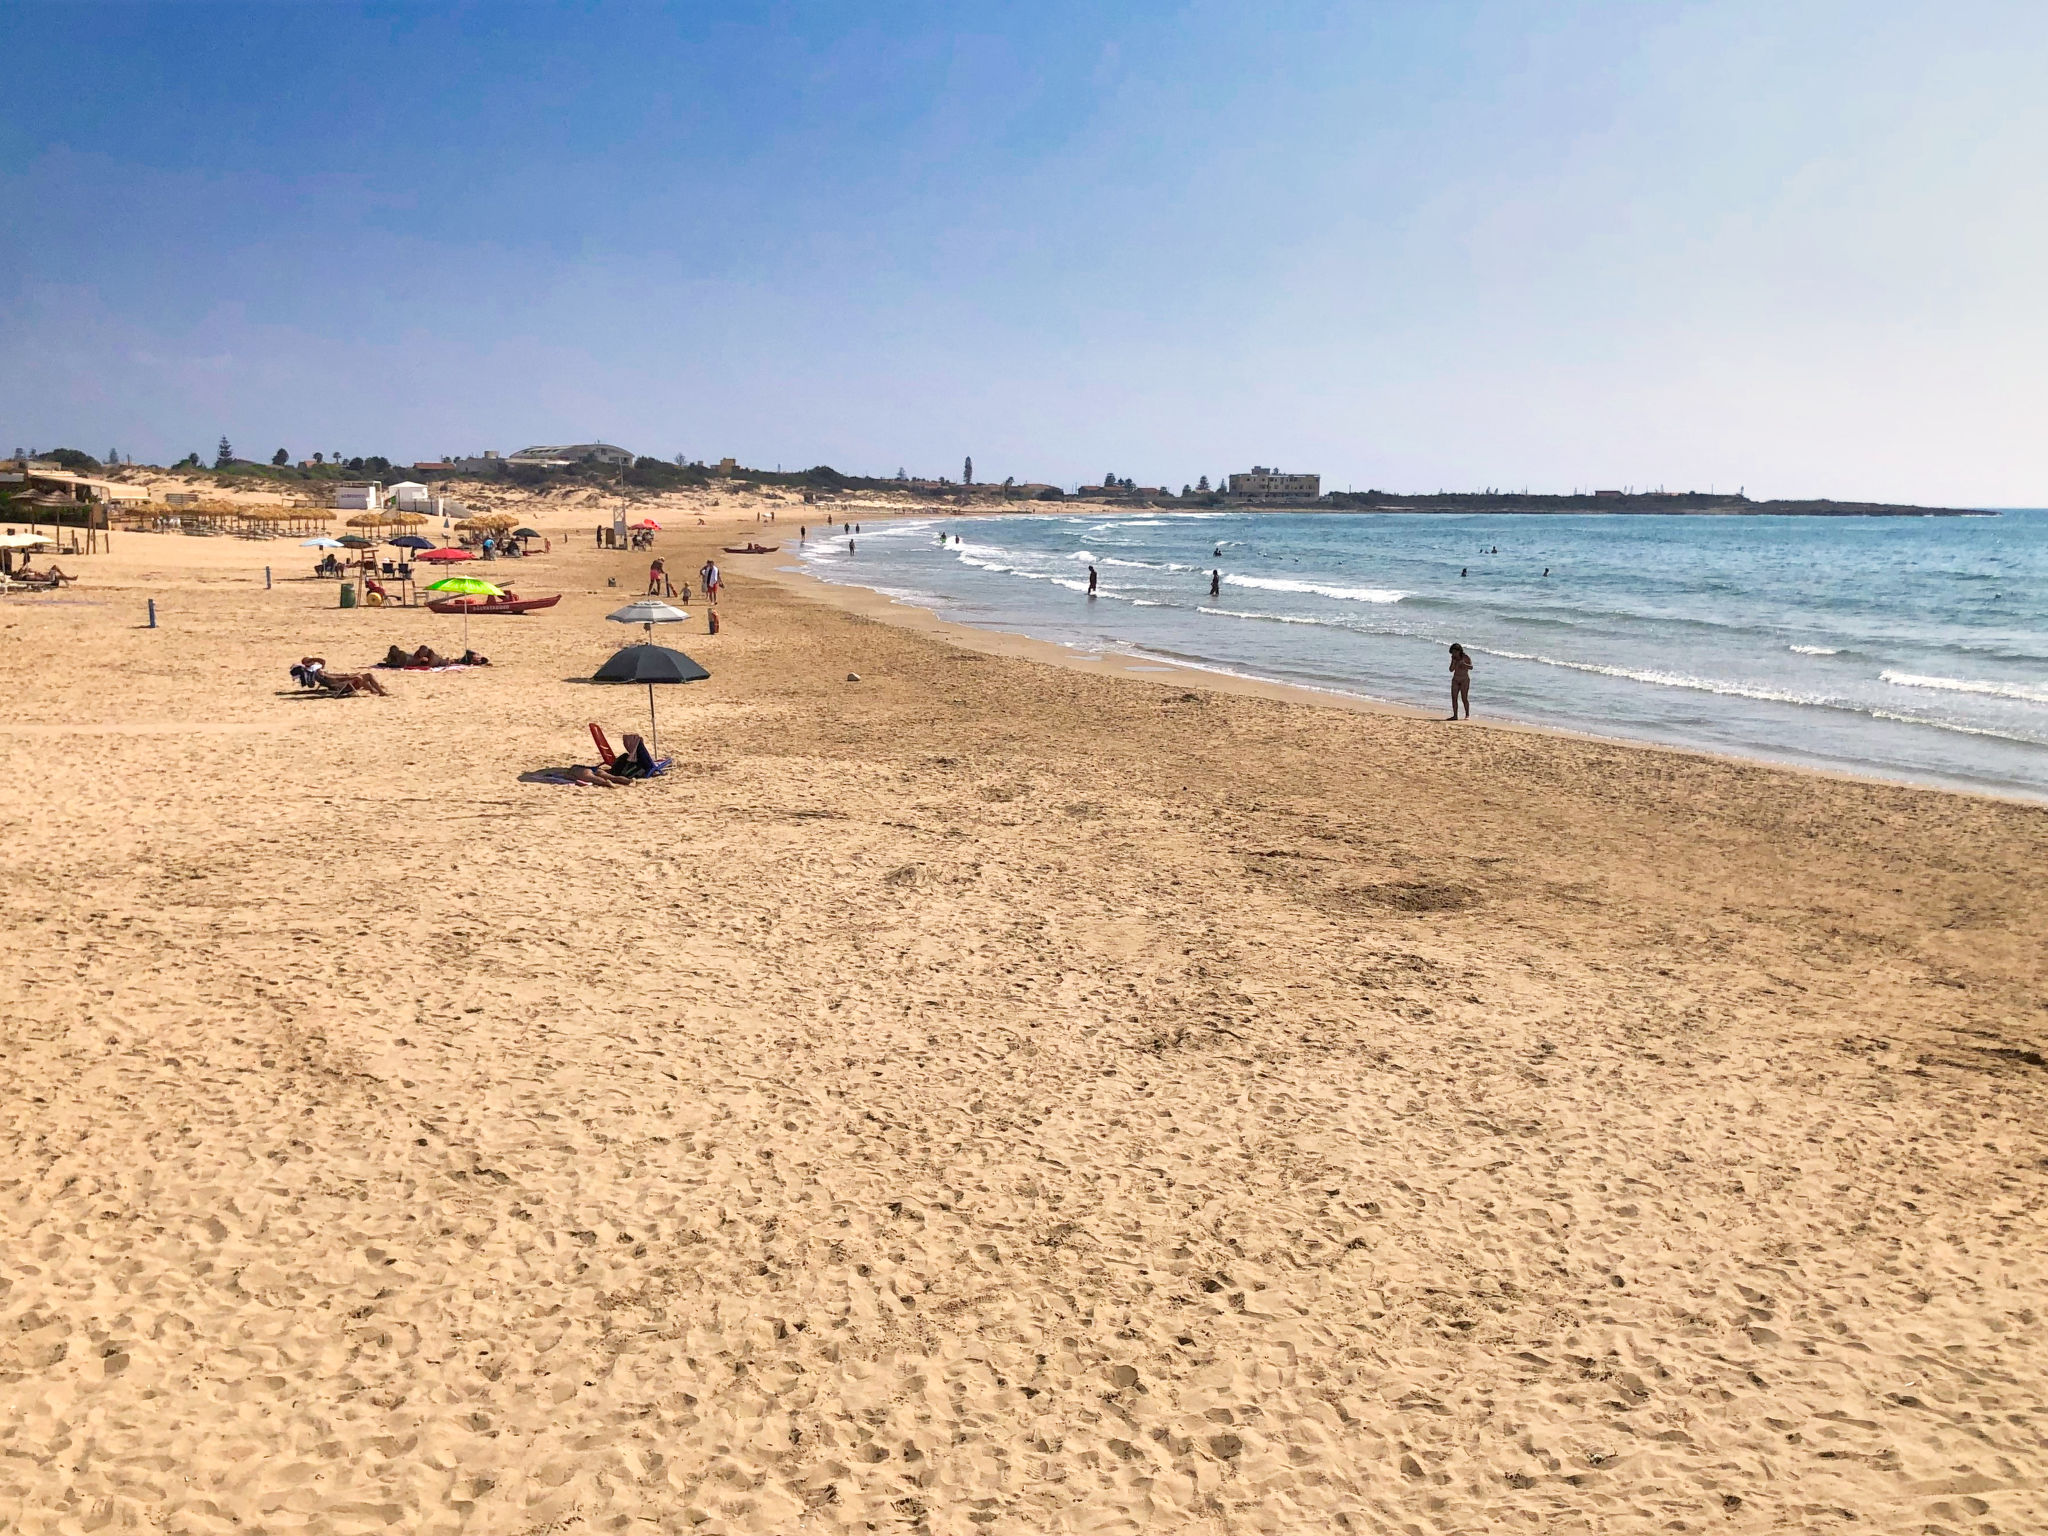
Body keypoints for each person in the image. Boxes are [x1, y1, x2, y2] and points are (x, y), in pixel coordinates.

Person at [1448, 643, 1473, 720]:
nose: (1454, 654)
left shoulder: (1465, 657)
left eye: (1455, 652)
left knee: (1464, 698)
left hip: (1464, 680)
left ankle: (1467, 715)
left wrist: (1464, 664)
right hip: (1455, 679)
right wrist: (1454, 662)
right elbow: (1451, 670)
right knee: (1454, 698)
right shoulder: (1453, 658)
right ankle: (1455, 715)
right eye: (1453, 653)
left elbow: (1471, 667)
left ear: (1459, 651)